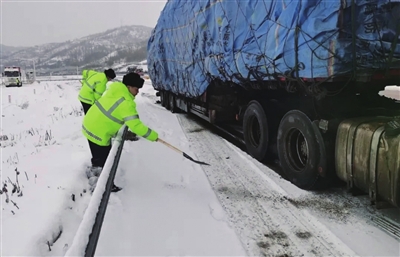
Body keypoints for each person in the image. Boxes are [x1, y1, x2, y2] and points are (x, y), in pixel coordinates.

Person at [82, 72, 158, 192]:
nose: (137, 91)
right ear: (128, 87)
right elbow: (136, 125)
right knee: (106, 161)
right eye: (136, 88)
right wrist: (153, 136)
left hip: (90, 124)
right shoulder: (126, 102)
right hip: (99, 131)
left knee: (98, 156)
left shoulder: (115, 90)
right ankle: (101, 187)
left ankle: (95, 172)